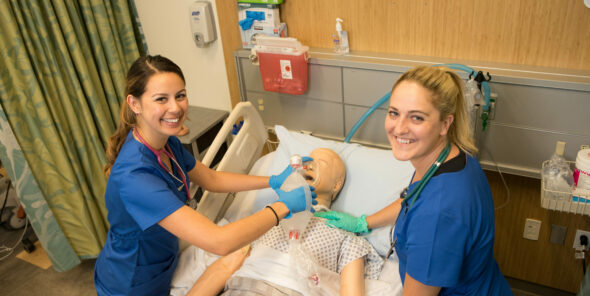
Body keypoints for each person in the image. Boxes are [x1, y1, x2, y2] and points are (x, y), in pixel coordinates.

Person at [94, 55, 315, 296]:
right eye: (161, 99)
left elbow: (213, 180)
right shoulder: (133, 178)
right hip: (131, 282)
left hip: (162, 264)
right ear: (135, 104)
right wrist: (282, 207)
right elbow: (219, 242)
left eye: (180, 95)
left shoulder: (167, 143)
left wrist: (272, 181)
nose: (175, 108)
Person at [316, 66, 512, 295]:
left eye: (416, 117)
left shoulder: (437, 215)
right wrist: (364, 222)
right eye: (394, 113)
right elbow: (413, 198)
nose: (399, 128)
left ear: (445, 124)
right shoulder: (451, 159)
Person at [171, 148, 389, 296]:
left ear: (337, 185)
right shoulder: (267, 219)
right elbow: (225, 266)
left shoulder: (345, 235)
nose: (308, 166)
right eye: (306, 161)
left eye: (320, 163)